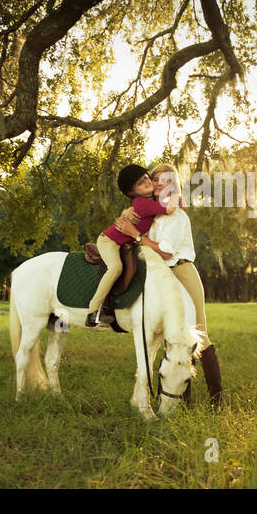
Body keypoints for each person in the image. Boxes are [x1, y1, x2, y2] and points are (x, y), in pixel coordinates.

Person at [113, 163, 223, 407]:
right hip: (161, 274)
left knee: (198, 334)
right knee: (170, 335)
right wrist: (126, 217)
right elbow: (135, 222)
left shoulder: (177, 215)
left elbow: (164, 251)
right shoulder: (153, 213)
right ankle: (182, 396)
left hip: (182, 270)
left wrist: (137, 235)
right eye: (157, 180)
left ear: (175, 185)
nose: (161, 184)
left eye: (167, 181)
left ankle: (217, 396)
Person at [86, 164, 178, 327]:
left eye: (146, 177)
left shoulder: (147, 202)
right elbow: (170, 208)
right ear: (131, 193)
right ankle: (93, 310)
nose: (147, 182)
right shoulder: (143, 204)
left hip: (125, 242)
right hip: (109, 241)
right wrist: (178, 195)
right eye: (140, 183)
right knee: (116, 268)